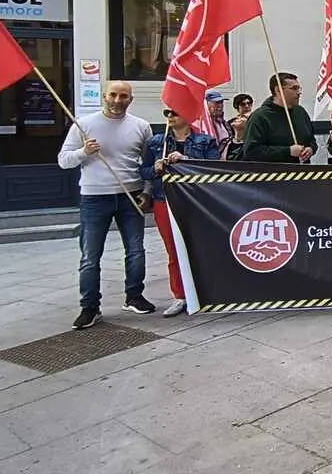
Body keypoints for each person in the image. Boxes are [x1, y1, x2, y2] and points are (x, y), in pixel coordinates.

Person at [57, 81, 155, 330]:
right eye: (113, 94)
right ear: (104, 96)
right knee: (90, 256)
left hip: (130, 194)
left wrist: (146, 192)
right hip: (94, 197)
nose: (118, 100)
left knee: (136, 251)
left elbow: (148, 164)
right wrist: (84, 152)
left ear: (130, 99)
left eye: (124, 96)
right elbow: (63, 160)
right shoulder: (84, 124)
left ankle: (134, 296)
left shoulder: (141, 126)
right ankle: (90, 306)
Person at [140, 109, 220, 317]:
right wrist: (156, 168)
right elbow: (143, 171)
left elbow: (214, 168)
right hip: (164, 200)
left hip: (197, 202)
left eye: (175, 112)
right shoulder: (157, 141)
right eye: (167, 112)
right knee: (173, 250)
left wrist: (186, 159)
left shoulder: (205, 140)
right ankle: (180, 295)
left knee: (202, 246)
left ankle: (206, 291)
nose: (170, 116)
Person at [242, 72, 316, 163]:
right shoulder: (260, 117)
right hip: (274, 174)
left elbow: (311, 139)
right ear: (278, 90)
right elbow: (251, 151)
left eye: (299, 88)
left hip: (303, 172)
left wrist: (311, 149)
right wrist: (288, 151)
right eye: (294, 88)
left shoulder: (301, 112)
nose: (299, 92)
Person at [202, 91, 235, 156]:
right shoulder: (203, 125)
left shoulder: (225, 124)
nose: (220, 106)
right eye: (216, 103)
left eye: (221, 102)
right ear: (207, 104)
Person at [226, 93, 253, 160]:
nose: (247, 106)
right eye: (243, 104)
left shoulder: (256, 120)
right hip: (238, 153)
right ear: (237, 107)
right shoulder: (232, 123)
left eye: (249, 103)